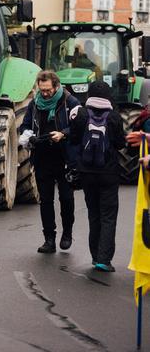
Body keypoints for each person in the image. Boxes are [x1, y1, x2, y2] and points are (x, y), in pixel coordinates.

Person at [19, 70, 80, 254]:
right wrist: (26, 135)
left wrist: (63, 134)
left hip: (64, 158)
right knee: (46, 201)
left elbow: (80, 126)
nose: (45, 94)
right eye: (42, 90)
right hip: (42, 157)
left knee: (66, 199)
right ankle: (49, 239)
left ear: (56, 86)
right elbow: (26, 124)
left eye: (48, 90)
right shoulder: (35, 104)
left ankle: (67, 233)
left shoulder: (70, 102)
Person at [69, 80, 126, 273]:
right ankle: (104, 259)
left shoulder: (82, 114)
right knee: (108, 216)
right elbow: (120, 144)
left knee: (94, 214)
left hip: (86, 173)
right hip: (108, 173)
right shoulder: (114, 117)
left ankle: (95, 256)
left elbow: (74, 140)